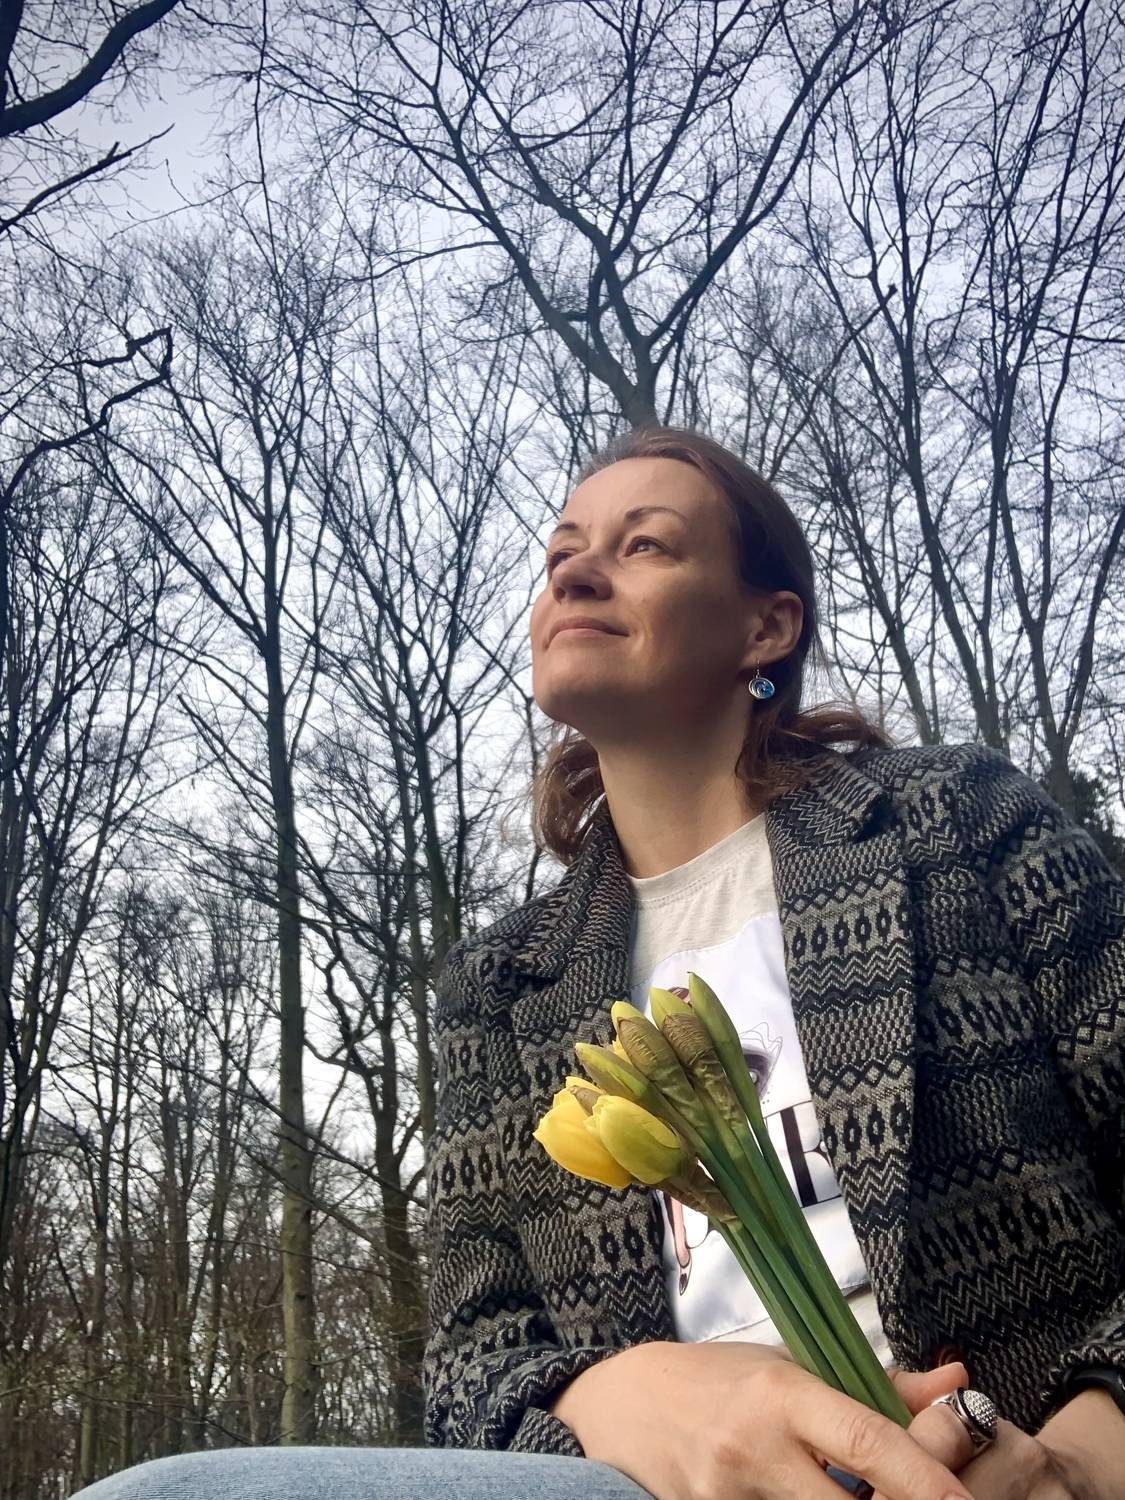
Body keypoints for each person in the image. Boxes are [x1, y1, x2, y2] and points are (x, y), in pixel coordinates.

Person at [78, 427, 1125, 1499]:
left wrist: (1083, 1460)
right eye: (561, 554)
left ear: (766, 627)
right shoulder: (502, 987)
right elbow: (473, 1363)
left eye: (645, 544)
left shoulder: (953, 825)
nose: (575, 573)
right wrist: (616, 1393)